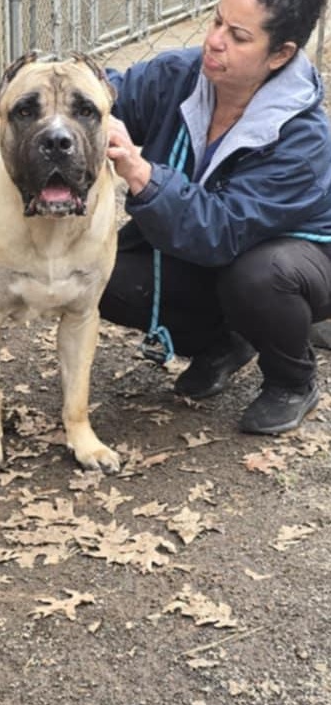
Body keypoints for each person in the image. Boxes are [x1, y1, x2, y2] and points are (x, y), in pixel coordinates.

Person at [102, 0, 331, 434]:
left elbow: (222, 230)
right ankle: (224, 343)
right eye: (217, 21)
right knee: (99, 276)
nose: (215, 40)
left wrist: (142, 174)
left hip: (303, 259)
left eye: (238, 36)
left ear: (280, 54)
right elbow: (113, 92)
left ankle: (292, 381)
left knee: (258, 278)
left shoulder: (303, 138)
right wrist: (62, 82)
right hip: (217, 247)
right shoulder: (181, 76)